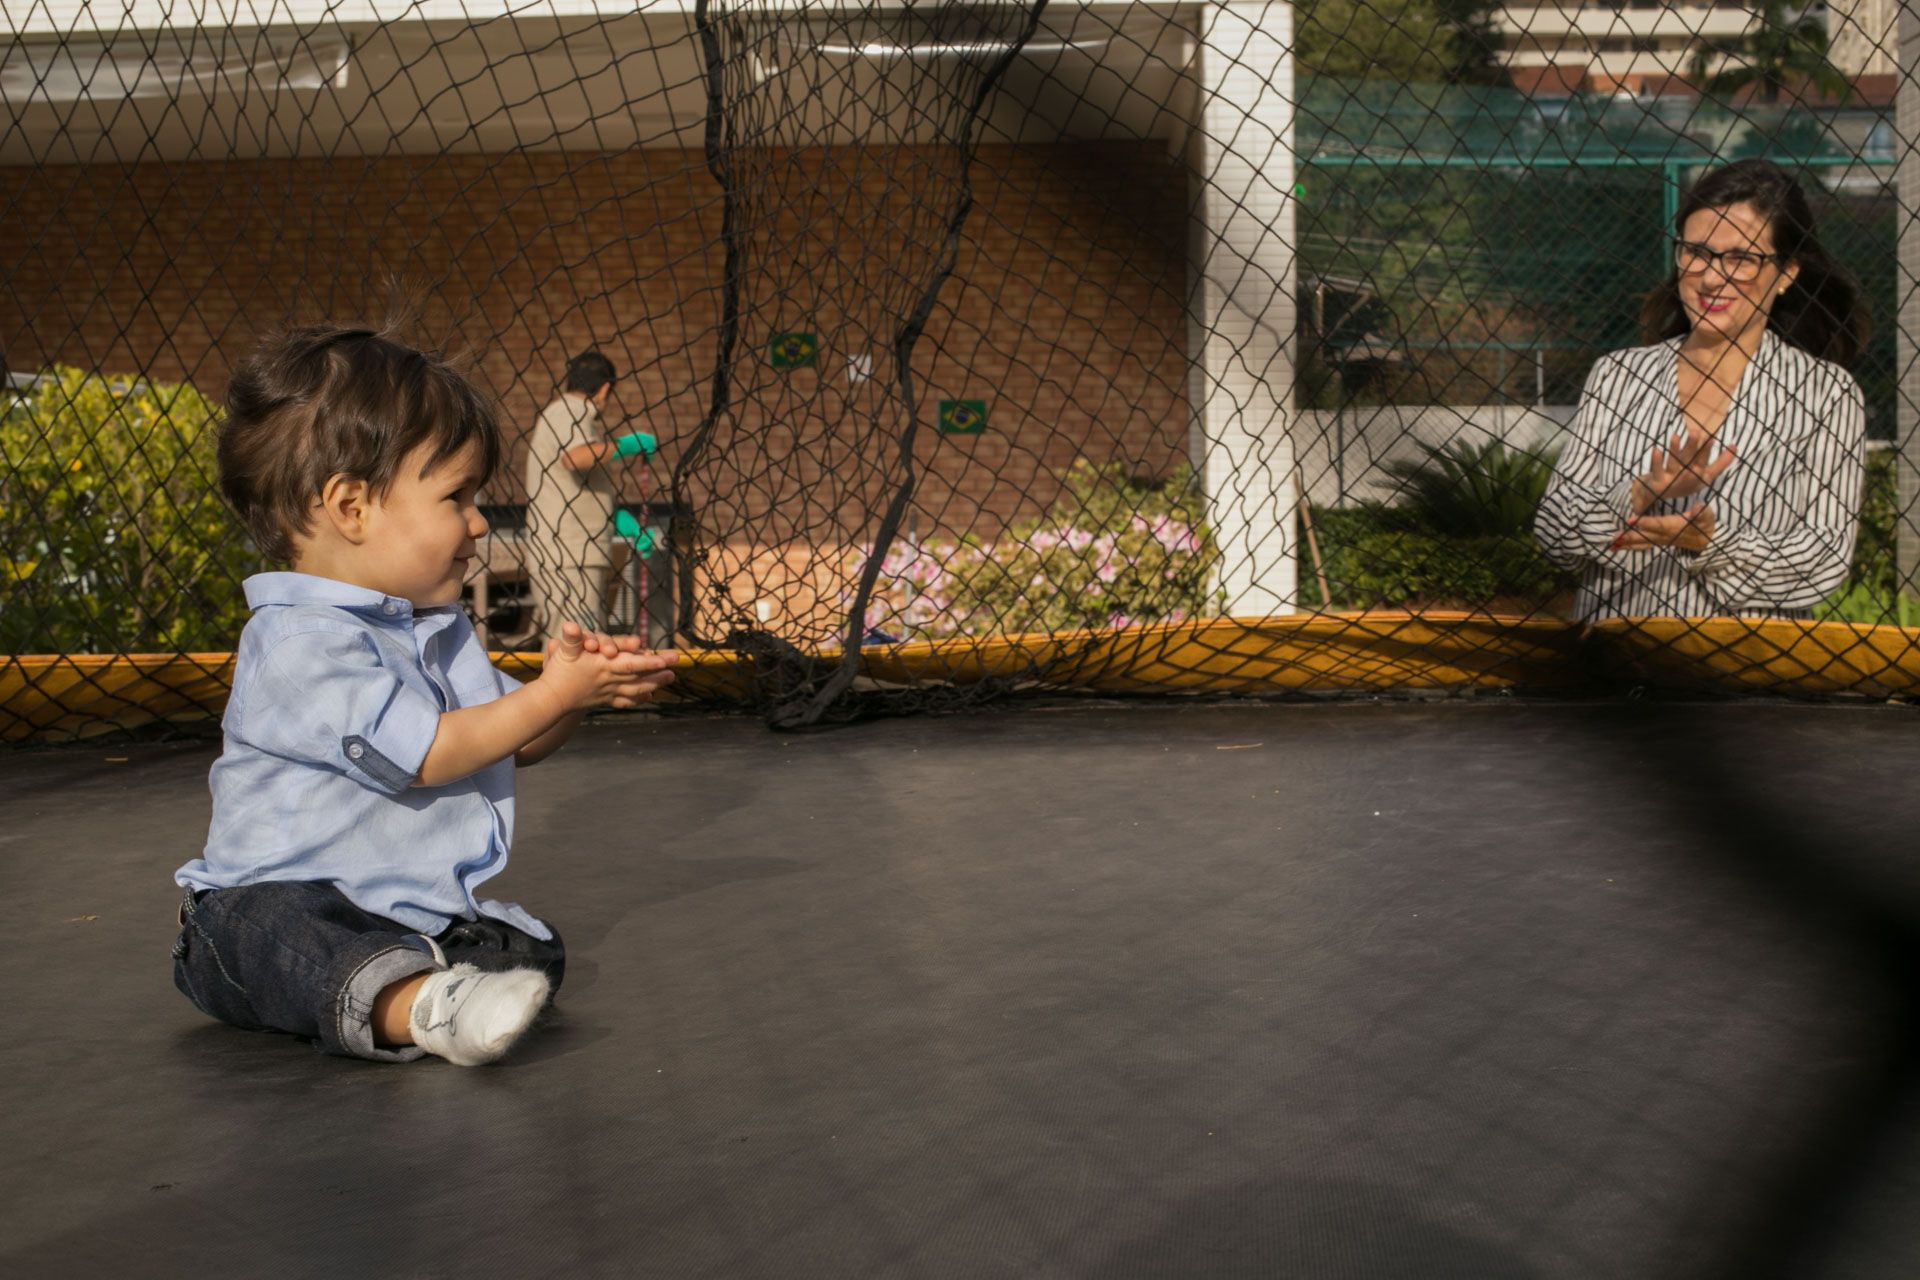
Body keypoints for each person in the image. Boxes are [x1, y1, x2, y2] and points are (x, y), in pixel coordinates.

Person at [172, 324, 677, 1066]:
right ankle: (423, 1007)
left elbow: (518, 737)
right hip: (262, 913)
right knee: (274, 930)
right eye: (456, 497)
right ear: (351, 509)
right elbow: (431, 756)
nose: (478, 522)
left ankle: (421, 983)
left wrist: (570, 695)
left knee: (534, 950)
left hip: (390, 913)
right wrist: (555, 693)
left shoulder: (433, 628)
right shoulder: (298, 643)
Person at [1534, 158, 1869, 621]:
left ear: (1787, 273)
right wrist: (1636, 493)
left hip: (1751, 677)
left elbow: (1822, 558)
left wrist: (1712, 545)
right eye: (1697, 252)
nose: (1712, 277)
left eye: (1742, 259)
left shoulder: (1826, 393)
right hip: (1612, 668)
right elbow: (1553, 533)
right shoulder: (1618, 375)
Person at [523, 350, 657, 641]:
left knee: (584, 644)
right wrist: (626, 445)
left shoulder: (563, 415)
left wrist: (614, 519)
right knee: (576, 648)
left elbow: (575, 479)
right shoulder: (571, 411)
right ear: (606, 388)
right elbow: (576, 458)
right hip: (569, 556)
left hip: (575, 552)